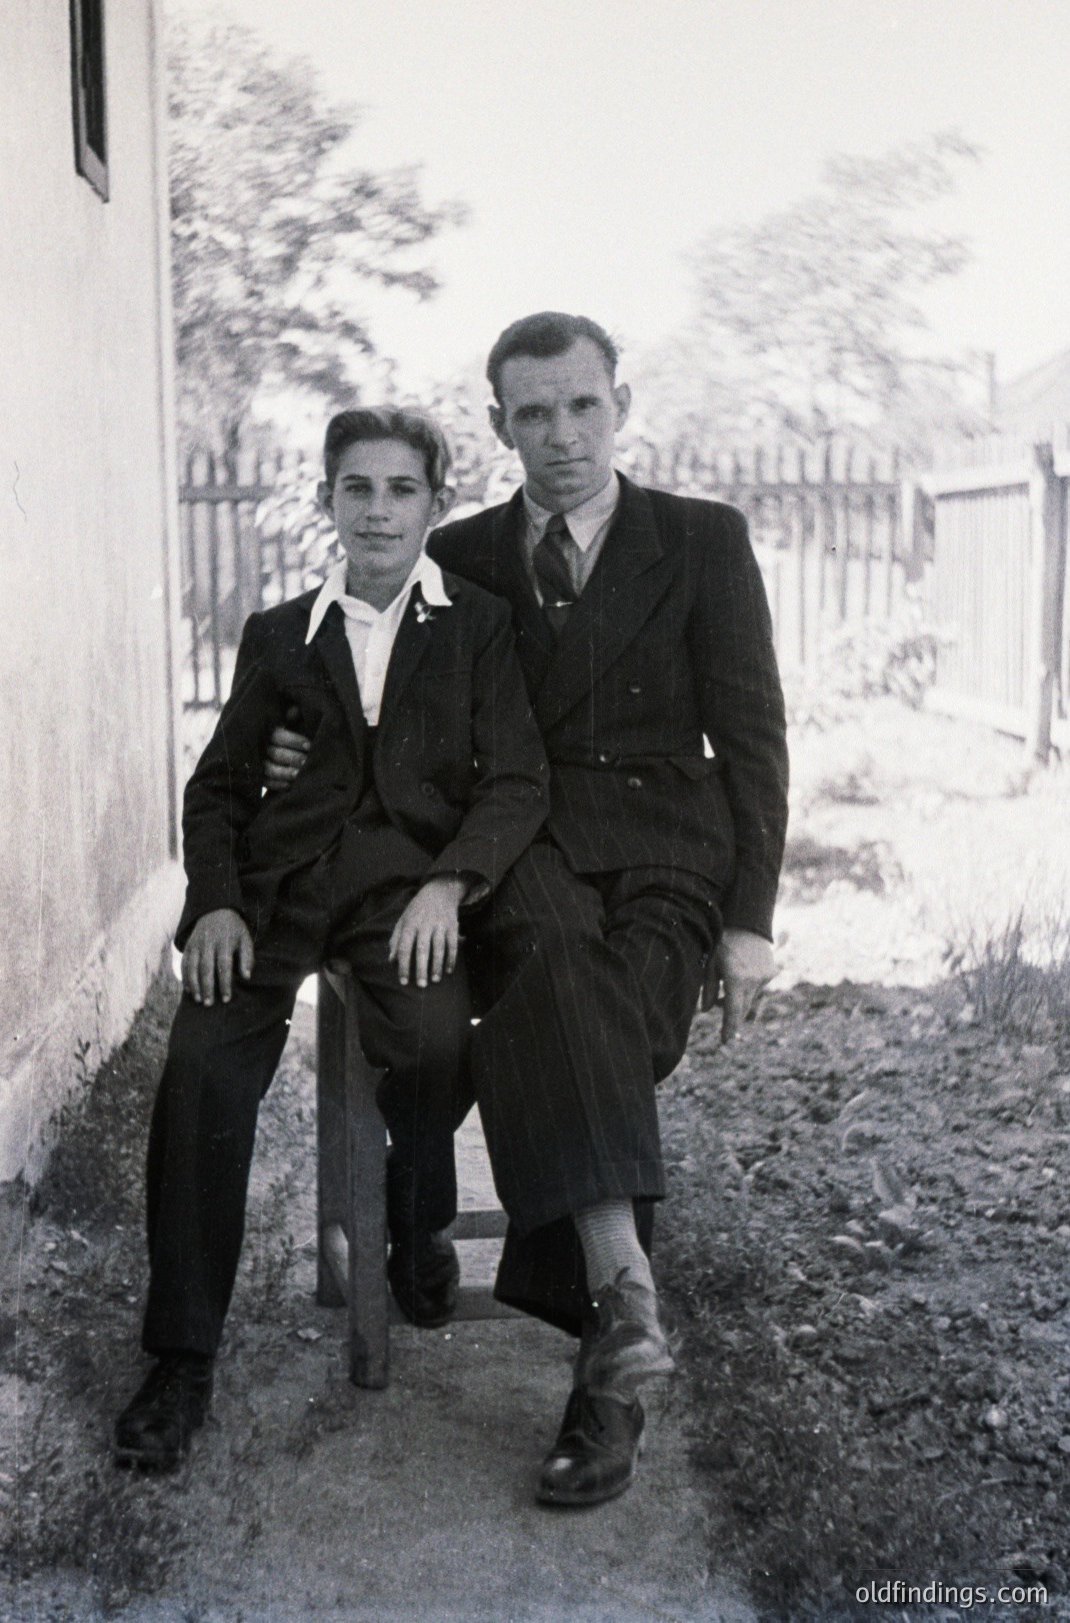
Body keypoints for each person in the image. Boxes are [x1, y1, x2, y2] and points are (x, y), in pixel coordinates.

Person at [266, 313, 789, 1506]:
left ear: (620, 405)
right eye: (535, 414)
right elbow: (356, 681)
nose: (563, 437)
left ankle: (614, 1317)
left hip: (670, 854)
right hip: (524, 845)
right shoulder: (460, 554)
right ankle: (620, 1339)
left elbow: (754, 737)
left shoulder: (704, 541)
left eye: (583, 407)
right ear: (500, 426)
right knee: (555, 964)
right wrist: (293, 758)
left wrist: (749, 919)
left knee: (593, 1007)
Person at [114, 408, 548, 1470]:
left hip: (397, 902)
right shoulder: (278, 634)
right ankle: (181, 1362)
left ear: (436, 506)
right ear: (327, 504)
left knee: (442, 1041)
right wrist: (214, 900)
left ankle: (417, 1211)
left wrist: (451, 885)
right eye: (358, 489)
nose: (380, 511)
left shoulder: (479, 626)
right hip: (272, 899)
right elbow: (217, 788)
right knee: (202, 1072)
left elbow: (520, 780)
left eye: (403, 490)